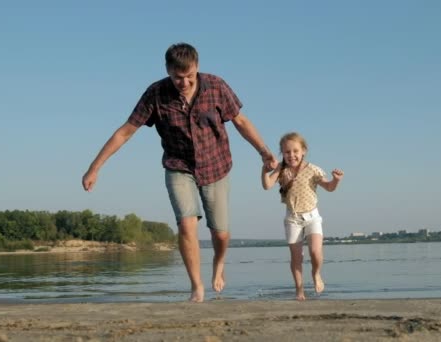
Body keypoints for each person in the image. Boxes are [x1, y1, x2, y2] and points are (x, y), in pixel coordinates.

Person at [82, 42, 277, 302]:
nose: (183, 82)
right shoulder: (156, 93)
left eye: (189, 76)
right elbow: (125, 132)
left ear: (197, 68)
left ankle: (219, 264)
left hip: (216, 166)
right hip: (178, 167)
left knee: (220, 232)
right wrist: (95, 167)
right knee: (187, 224)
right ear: (168, 70)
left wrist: (264, 152)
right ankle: (196, 287)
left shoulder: (216, 86)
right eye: (177, 77)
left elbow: (241, 122)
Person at [261, 132, 344, 301]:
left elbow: (329, 187)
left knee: (315, 251)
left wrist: (336, 180)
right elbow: (267, 185)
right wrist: (264, 171)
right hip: (293, 219)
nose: (291, 155)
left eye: (295, 151)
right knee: (296, 258)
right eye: (287, 152)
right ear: (282, 153)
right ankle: (299, 290)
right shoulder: (281, 169)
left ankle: (316, 273)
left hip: (313, 216)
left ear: (303, 151)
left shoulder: (313, 170)